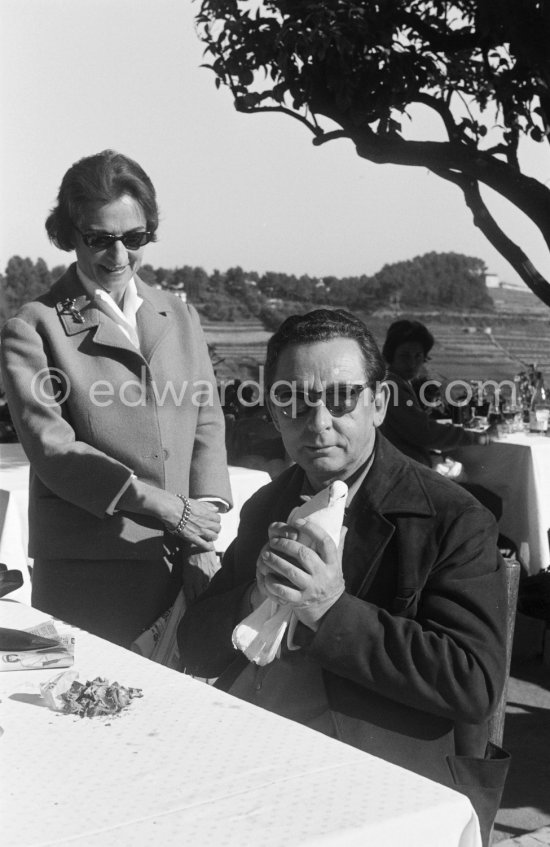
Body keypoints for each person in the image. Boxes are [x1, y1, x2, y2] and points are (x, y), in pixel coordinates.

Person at [179, 309, 509, 846]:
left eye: (340, 399)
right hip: (250, 749)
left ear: (378, 403)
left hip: (374, 774)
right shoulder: (269, 504)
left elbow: (471, 684)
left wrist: (330, 609)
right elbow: (196, 644)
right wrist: (252, 597)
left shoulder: (453, 520)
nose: (317, 423)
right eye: (293, 400)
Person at [0, 150, 232, 648]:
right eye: (100, 239)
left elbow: (206, 420)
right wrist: (166, 507)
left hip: (185, 556)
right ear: (68, 233)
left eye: (134, 238)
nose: (119, 256)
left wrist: (201, 525)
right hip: (92, 573)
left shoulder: (180, 315)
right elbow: (52, 448)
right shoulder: (33, 328)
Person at [380, 319, 489, 466]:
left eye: (418, 356)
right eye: (404, 356)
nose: (412, 364)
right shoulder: (392, 386)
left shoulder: (396, 382)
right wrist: (481, 438)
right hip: (404, 476)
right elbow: (424, 432)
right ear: (391, 355)